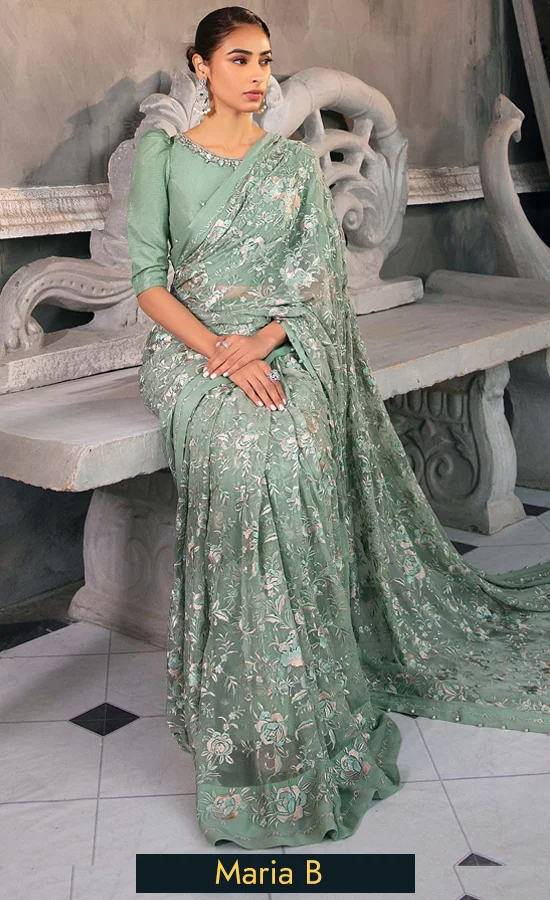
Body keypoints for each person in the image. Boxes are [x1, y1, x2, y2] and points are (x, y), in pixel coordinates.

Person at [126, 6, 550, 850]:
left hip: (287, 341)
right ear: (200, 66)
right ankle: (243, 726)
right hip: (192, 352)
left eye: (265, 60)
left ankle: (311, 703)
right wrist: (221, 351)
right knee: (245, 462)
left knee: (290, 454)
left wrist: (262, 343)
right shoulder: (163, 157)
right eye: (238, 59)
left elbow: (317, 285)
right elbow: (148, 282)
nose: (257, 75)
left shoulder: (289, 166)